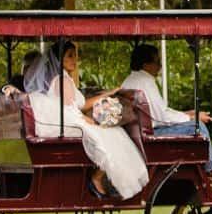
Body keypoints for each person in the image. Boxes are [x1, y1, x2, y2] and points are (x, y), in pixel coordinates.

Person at [25, 40, 148, 199]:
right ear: (59, 59)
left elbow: (82, 104)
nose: (74, 60)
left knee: (111, 129)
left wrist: (108, 93)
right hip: (68, 122)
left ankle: (103, 179)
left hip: (71, 118)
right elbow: (67, 110)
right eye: (69, 56)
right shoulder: (61, 80)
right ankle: (96, 178)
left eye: (75, 55)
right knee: (112, 134)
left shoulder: (66, 79)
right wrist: (85, 120)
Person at [120, 44, 212, 173]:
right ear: (145, 64)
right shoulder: (145, 81)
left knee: (193, 122)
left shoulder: (131, 80)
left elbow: (158, 112)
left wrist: (187, 113)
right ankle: (210, 173)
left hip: (139, 133)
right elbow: (162, 117)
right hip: (151, 136)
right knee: (198, 126)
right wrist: (192, 117)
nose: (160, 66)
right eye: (157, 62)